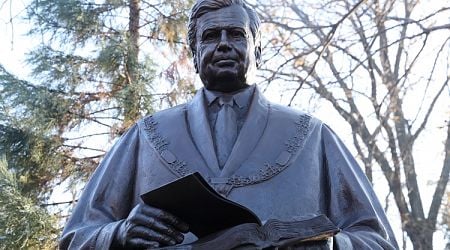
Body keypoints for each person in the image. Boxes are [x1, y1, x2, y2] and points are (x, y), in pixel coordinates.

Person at [60, 0, 398, 249]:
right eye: (210, 36)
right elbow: (76, 238)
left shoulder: (313, 135)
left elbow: (379, 241)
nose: (223, 43)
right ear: (193, 53)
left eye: (236, 34)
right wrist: (117, 235)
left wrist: (336, 246)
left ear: (258, 51)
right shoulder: (146, 136)